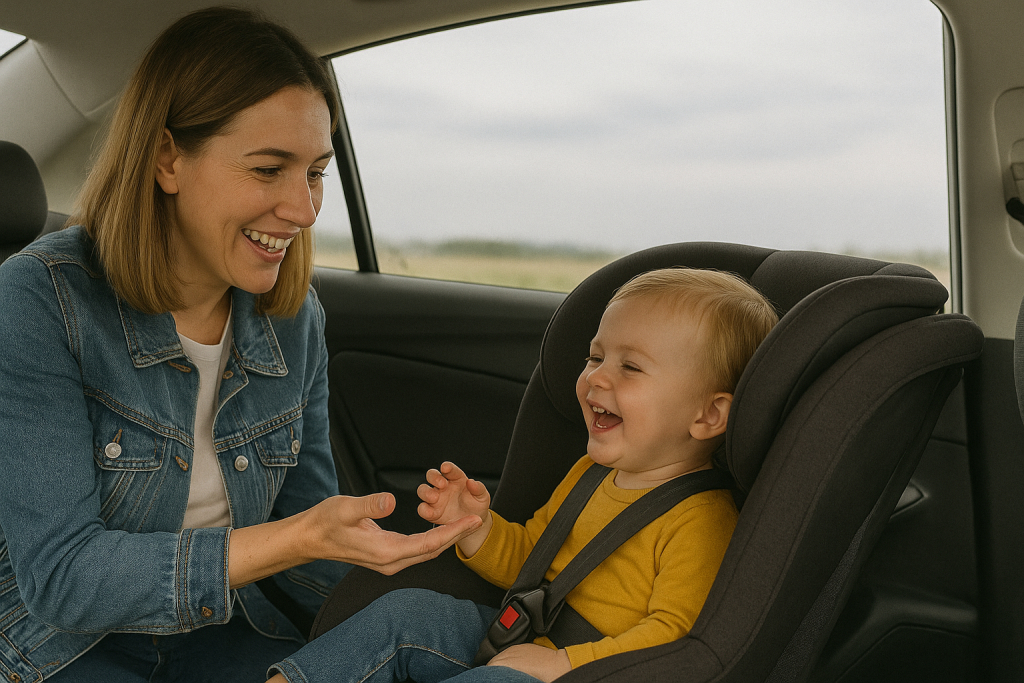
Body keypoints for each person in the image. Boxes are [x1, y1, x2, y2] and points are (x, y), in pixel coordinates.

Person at [0, 7, 481, 682]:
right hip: (63, 646)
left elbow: (312, 543)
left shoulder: (294, 318)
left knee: (447, 629)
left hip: (224, 626)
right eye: (268, 169)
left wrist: (435, 557)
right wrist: (297, 538)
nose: (304, 208)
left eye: (314, 171)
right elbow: (63, 577)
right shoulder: (40, 298)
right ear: (168, 158)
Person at [266, 267, 779, 683]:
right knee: (405, 614)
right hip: (529, 637)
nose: (596, 376)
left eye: (631, 368)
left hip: (589, 672)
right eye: (596, 357)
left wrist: (564, 666)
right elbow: (530, 563)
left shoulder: (701, 521)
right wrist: (479, 529)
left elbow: (673, 643)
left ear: (708, 416)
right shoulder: (590, 475)